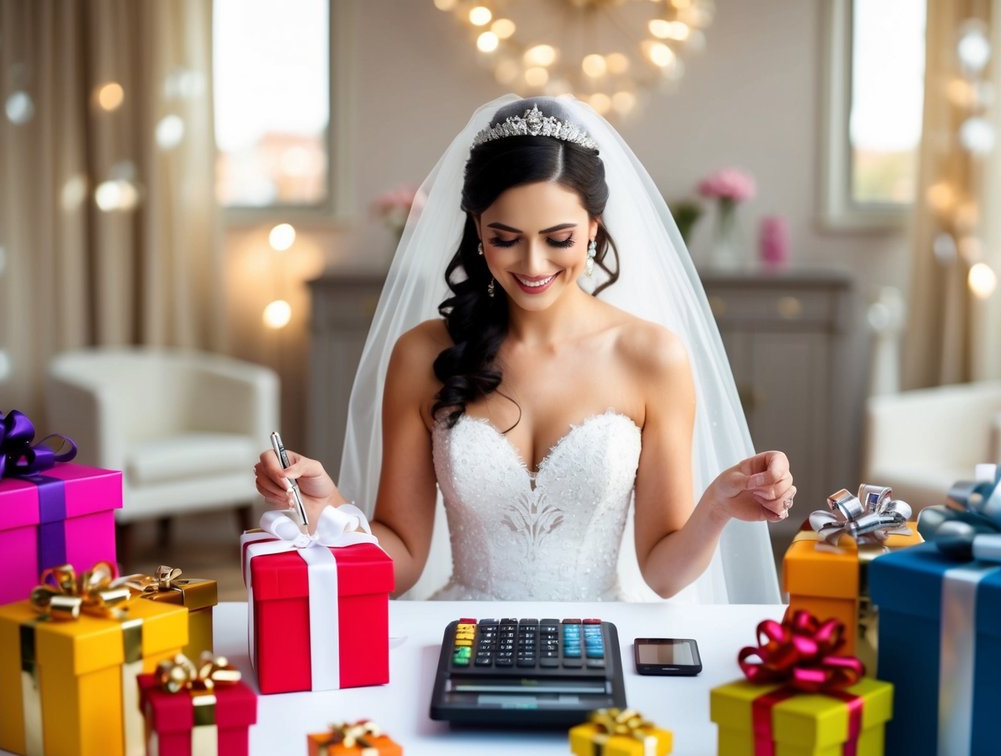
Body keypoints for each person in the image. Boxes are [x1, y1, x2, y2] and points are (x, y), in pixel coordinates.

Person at [255, 96, 795, 603]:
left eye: (558, 238)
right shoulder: (422, 355)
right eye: (506, 238)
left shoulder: (652, 357)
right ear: (477, 229)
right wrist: (329, 513)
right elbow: (403, 561)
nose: (533, 265)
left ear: (592, 230)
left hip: (596, 636)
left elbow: (662, 573)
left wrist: (717, 507)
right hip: (462, 632)